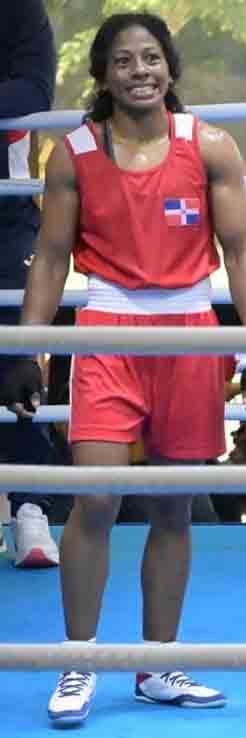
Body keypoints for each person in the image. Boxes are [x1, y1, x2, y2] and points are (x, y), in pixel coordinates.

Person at [3, 13, 246, 726]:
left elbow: (244, 251)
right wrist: (27, 350)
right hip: (106, 331)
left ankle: (159, 662)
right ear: (102, 74)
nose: (139, 71)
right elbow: (51, 257)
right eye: (123, 60)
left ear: (170, 67)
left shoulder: (211, 146)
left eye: (150, 58)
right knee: (95, 500)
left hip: (190, 335)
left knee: (172, 506)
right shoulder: (72, 154)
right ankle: (79, 661)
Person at [0, 0, 62, 568]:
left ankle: (30, 512)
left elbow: (33, 93)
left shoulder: (18, 8)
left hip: (6, 213)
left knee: (18, 354)